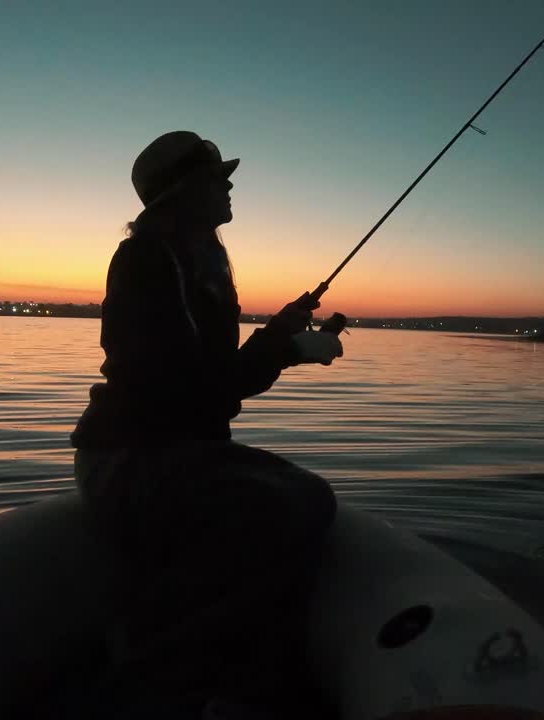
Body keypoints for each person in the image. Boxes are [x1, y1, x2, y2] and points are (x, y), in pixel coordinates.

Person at [69, 131, 343, 712]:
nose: (229, 184)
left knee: (305, 499)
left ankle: (215, 666)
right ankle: (168, 677)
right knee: (302, 504)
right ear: (187, 189)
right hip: (135, 459)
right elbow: (190, 392)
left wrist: (281, 335)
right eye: (219, 176)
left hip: (170, 450)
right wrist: (288, 349)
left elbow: (211, 384)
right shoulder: (148, 262)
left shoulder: (194, 262)